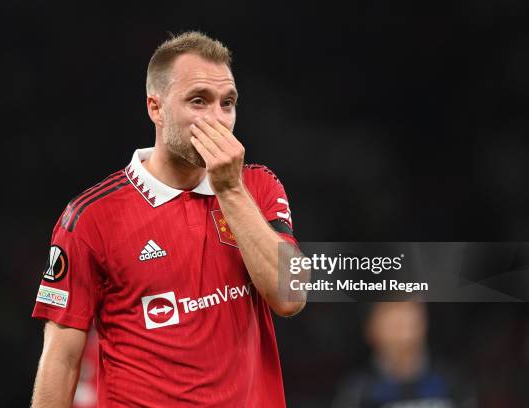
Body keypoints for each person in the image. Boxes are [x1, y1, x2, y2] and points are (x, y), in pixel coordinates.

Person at [31, 31, 307, 407]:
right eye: (198, 101)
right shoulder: (90, 217)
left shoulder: (256, 186)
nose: (218, 119)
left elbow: (291, 297)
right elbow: (62, 358)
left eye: (227, 103)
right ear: (155, 108)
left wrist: (230, 190)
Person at [332, 302, 476, 408]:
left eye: (411, 323)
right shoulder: (357, 392)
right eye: (395, 325)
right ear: (371, 330)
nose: (405, 336)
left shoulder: (452, 382)